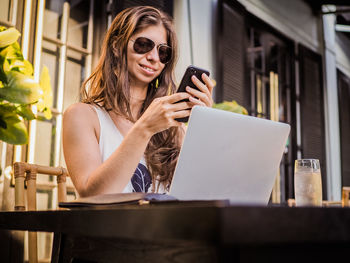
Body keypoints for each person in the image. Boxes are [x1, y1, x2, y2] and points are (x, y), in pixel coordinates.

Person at [62, 6, 214, 197]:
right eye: (143, 44)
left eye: (163, 52)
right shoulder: (82, 116)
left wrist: (205, 125)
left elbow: (198, 193)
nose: (153, 58)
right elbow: (92, 195)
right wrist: (145, 129)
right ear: (117, 47)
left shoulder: (173, 129)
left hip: (164, 226)